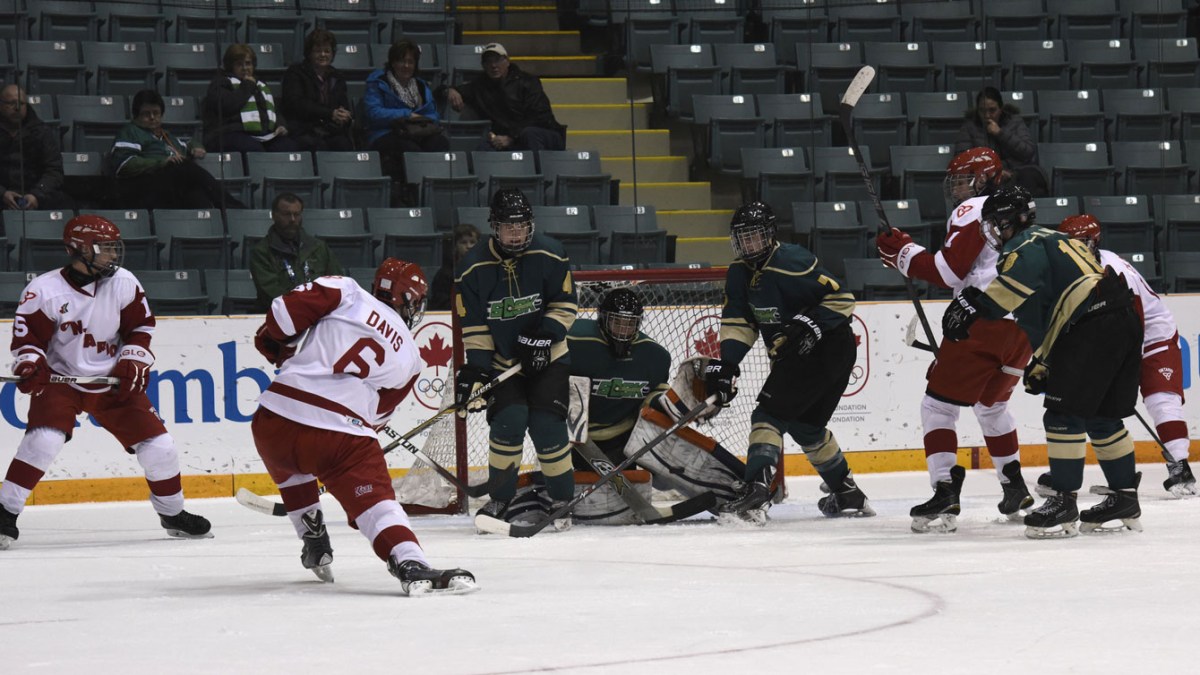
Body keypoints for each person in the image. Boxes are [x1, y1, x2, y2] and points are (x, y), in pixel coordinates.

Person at [251, 257, 477, 594]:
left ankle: (313, 537)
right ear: (413, 301)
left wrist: (277, 341)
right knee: (377, 504)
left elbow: (282, 317)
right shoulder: (411, 359)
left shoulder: (345, 290)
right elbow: (375, 420)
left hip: (273, 418)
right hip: (338, 434)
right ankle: (409, 560)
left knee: (292, 465)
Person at [0, 215, 211, 550]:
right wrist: (30, 364)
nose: (113, 255)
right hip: (61, 381)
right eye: (105, 248)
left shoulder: (124, 282)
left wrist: (132, 359)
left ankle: (172, 514)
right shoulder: (43, 291)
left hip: (112, 380)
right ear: (79, 249)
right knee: (44, 441)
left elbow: (140, 328)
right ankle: (5, 513)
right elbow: (27, 343)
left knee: (161, 448)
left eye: (115, 247)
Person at [944, 187, 1144, 538]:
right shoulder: (1055, 237)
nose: (991, 230)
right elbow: (1042, 317)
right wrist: (1044, 362)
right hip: (1120, 315)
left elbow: (1016, 287)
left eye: (993, 223)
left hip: (1091, 323)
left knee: (1063, 415)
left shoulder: (1023, 244)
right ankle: (1124, 497)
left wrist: (976, 306)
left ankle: (1063, 502)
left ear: (1007, 222)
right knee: (1103, 416)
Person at [875, 147, 1035, 533]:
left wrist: (902, 253)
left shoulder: (974, 209)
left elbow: (947, 272)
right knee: (991, 405)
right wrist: (907, 253)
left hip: (984, 320)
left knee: (937, 408)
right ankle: (1014, 486)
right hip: (1025, 324)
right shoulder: (1016, 208)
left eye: (963, 179)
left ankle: (944, 489)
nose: (957, 189)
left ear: (982, 178)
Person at [707, 201, 872, 526]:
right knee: (805, 426)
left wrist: (809, 323)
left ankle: (756, 488)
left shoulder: (792, 261)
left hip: (826, 348)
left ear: (769, 235)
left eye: (755, 237)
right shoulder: (739, 273)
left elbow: (843, 299)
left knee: (768, 414)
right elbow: (740, 322)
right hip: (808, 355)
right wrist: (728, 364)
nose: (749, 245)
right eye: (743, 238)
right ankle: (847, 490)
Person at [453, 188, 577, 530]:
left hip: (550, 358)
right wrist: (477, 369)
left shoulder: (551, 253)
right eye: (509, 227)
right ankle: (501, 497)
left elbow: (565, 304)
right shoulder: (471, 267)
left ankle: (562, 498)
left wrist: (544, 336)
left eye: (522, 226)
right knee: (508, 422)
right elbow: (476, 326)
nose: (516, 233)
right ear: (494, 226)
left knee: (548, 426)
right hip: (504, 365)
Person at [1057, 214, 1195, 497]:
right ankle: (1117, 471)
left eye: (1083, 243)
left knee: (1162, 400)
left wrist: (1117, 366)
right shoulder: (1074, 268)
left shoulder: (1114, 271)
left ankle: (1180, 465)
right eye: (1072, 245)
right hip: (1120, 334)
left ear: (1095, 242)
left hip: (1154, 336)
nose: (1078, 250)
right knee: (1094, 406)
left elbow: (1133, 322)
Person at [111, 89, 246, 210]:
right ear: (136, 115)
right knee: (183, 165)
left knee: (197, 196)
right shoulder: (130, 131)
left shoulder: (165, 135)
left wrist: (195, 146)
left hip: (170, 190)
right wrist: (162, 162)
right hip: (143, 189)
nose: (152, 117)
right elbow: (123, 164)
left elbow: (186, 146)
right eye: (146, 114)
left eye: (156, 113)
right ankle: (233, 206)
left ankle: (222, 227)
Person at [443, 43, 567, 153]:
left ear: (507, 61)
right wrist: (449, 90)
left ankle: (540, 175)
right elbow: (441, 90)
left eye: (497, 60)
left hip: (544, 133)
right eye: (488, 62)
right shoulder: (480, 86)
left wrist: (512, 137)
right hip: (507, 137)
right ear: (483, 66)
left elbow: (540, 117)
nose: (493, 65)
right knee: (483, 150)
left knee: (530, 134)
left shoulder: (528, 82)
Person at [363, 40, 448, 192]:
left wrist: (420, 120)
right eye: (401, 61)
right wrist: (407, 115)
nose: (406, 66)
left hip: (417, 132)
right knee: (410, 149)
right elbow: (373, 113)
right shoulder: (378, 82)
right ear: (393, 62)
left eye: (410, 62)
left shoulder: (421, 85)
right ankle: (412, 193)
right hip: (385, 133)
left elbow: (433, 114)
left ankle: (433, 191)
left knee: (440, 143)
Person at [249, 192, 342, 312]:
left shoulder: (319, 247)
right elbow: (272, 294)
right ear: (274, 215)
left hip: (321, 316)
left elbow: (337, 283)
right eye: (286, 214)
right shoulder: (261, 252)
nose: (292, 219)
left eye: (296, 214)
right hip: (281, 318)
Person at [202, 44, 301, 153]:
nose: (245, 68)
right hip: (230, 132)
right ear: (231, 66)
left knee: (288, 147)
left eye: (248, 63)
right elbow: (227, 105)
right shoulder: (221, 83)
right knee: (252, 149)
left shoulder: (260, 84)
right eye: (239, 64)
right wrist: (247, 86)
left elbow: (274, 110)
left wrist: (281, 125)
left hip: (263, 134)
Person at [953, 86, 1047, 197]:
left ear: (1001, 109)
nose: (987, 116)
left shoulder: (1015, 121)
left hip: (1016, 173)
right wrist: (993, 171)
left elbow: (1027, 152)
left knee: (1029, 178)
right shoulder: (969, 127)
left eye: (992, 110)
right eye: (982, 111)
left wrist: (1000, 133)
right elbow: (963, 161)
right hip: (986, 177)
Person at [280, 28, 354, 152]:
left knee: (343, 144)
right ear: (309, 53)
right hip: (303, 129)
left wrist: (344, 115)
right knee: (316, 146)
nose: (323, 55)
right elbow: (295, 103)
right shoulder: (295, 73)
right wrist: (330, 113)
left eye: (327, 51)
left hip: (330, 129)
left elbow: (343, 104)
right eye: (318, 51)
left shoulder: (337, 76)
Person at [0, 84, 70, 211]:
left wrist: (37, 195)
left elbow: (54, 170)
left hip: (35, 197)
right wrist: (2, 194)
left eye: (21, 104)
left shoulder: (41, 132)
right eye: (11, 103)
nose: (17, 108)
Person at [429, 222, 479, 311]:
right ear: (455, 246)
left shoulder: (485, 270)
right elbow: (440, 303)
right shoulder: (445, 274)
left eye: (472, 242)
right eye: (463, 242)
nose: (469, 246)